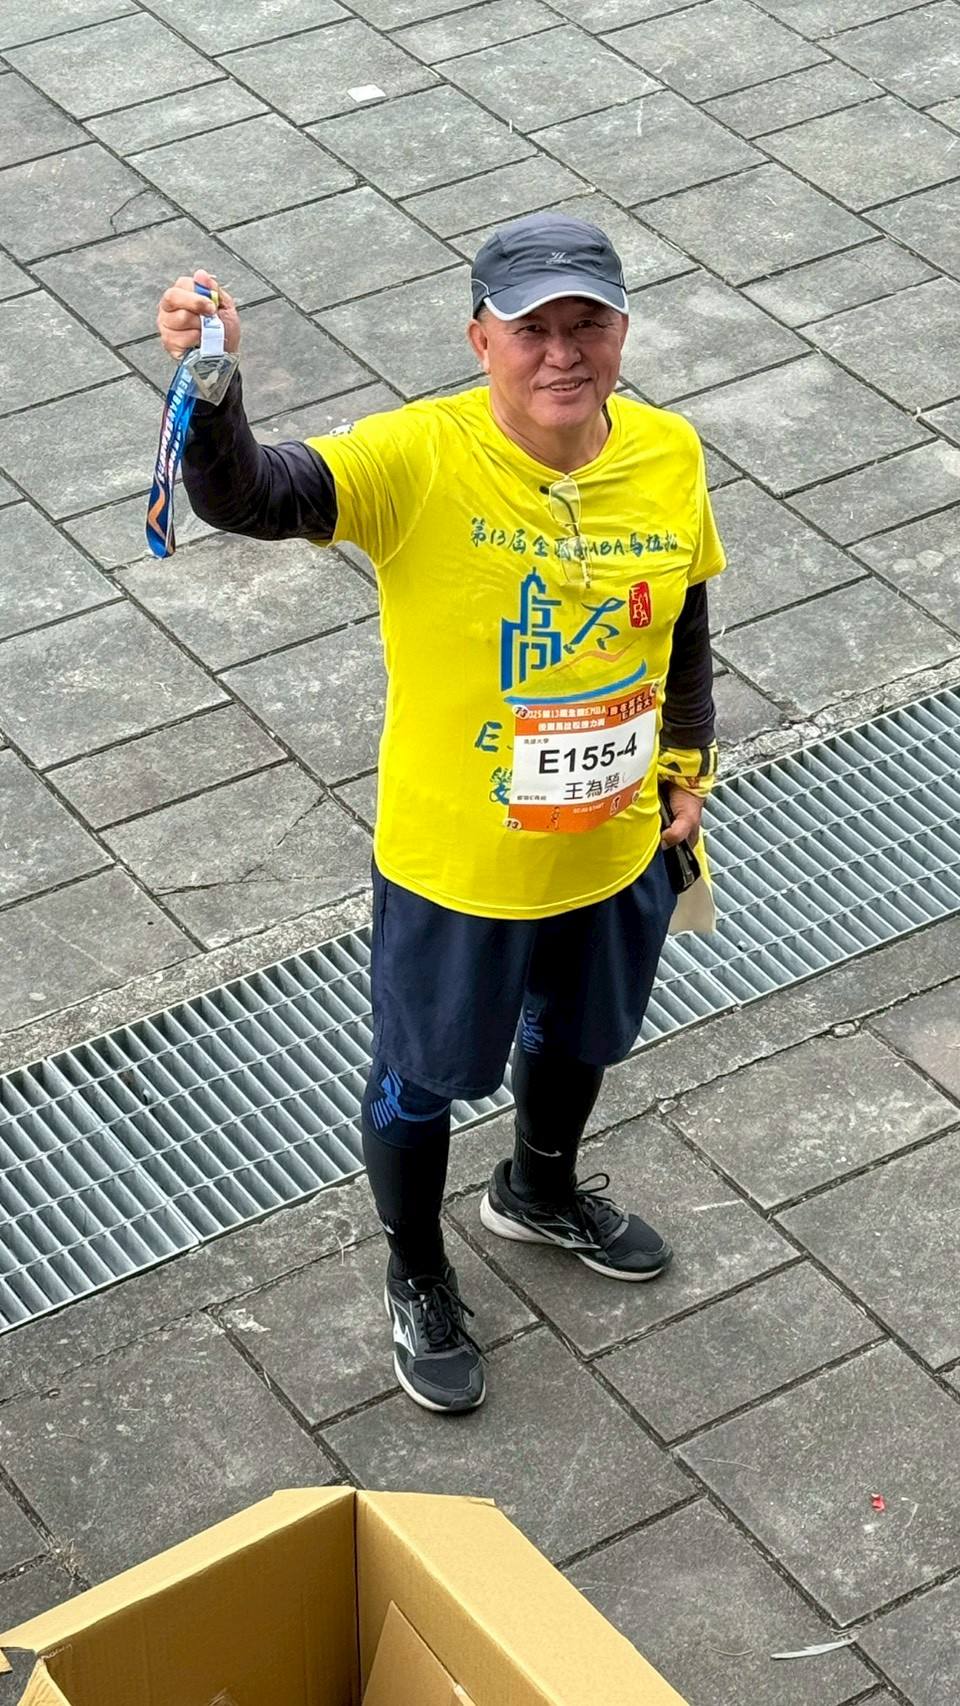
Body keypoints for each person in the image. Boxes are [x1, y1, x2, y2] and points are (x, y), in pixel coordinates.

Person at [156, 212, 725, 1416]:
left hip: (612, 845)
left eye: (588, 324)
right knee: (421, 1078)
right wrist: (211, 387)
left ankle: (537, 1191)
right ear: (480, 340)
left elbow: (684, 618)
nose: (563, 353)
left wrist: (688, 764)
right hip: (457, 867)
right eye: (532, 329)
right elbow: (250, 496)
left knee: (577, 1041)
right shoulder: (416, 456)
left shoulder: (670, 451)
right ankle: (416, 1267)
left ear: (623, 330)